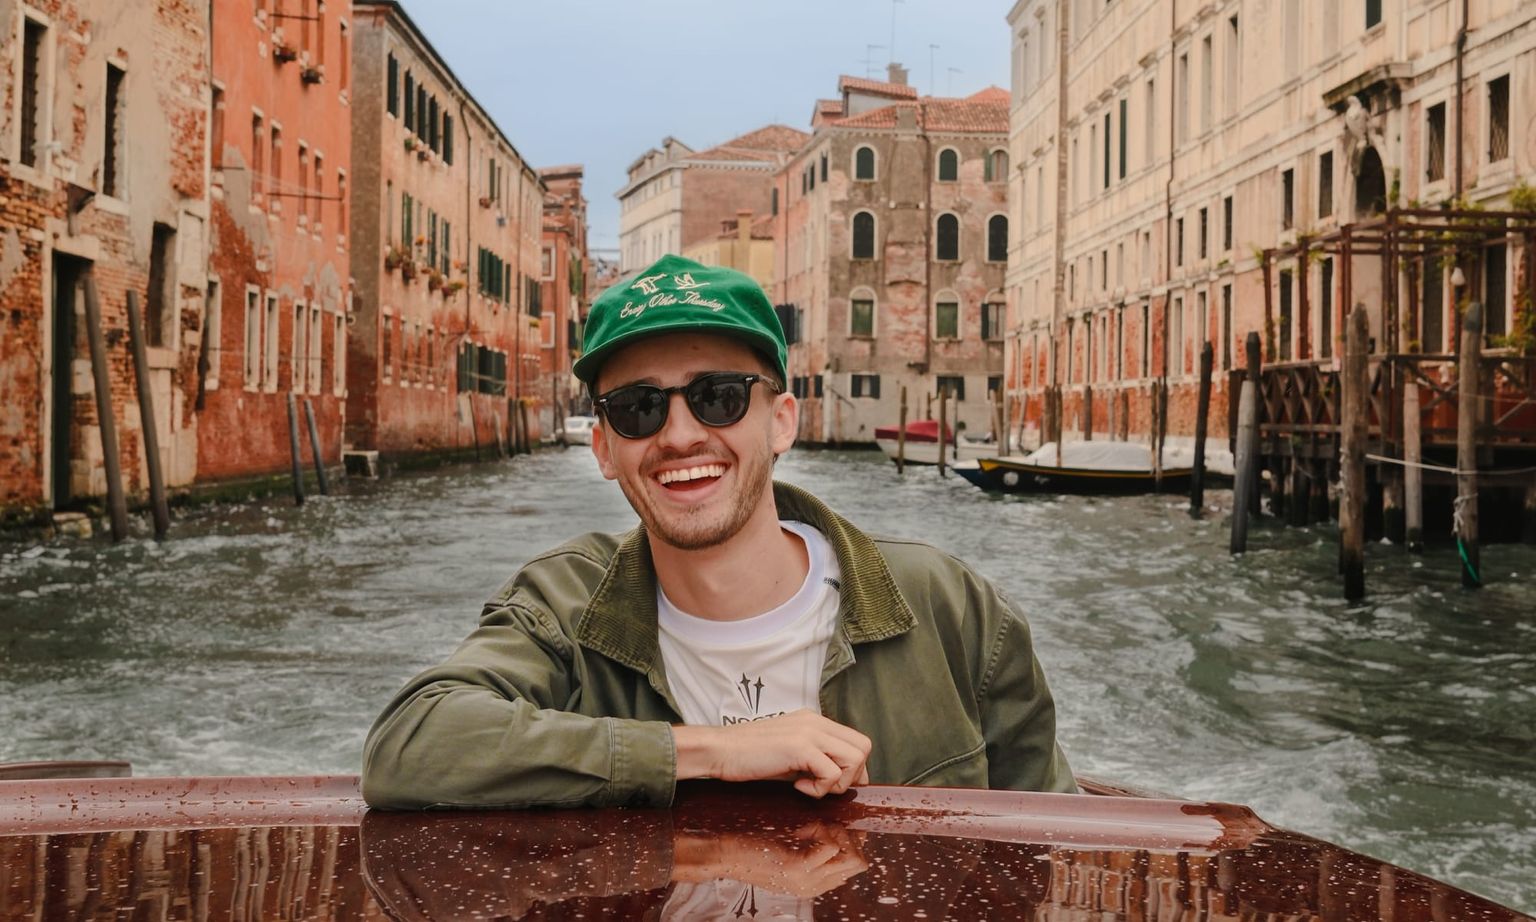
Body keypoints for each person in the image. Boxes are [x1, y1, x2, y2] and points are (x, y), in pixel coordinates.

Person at [362, 254, 1075, 810]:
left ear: (783, 421)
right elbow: (409, 747)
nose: (679, 434)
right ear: (605, 448)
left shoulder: (951, 607)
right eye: (639, 408)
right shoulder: (562, 602)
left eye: (718, 398)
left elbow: (1055, 849)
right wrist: (709, 754)